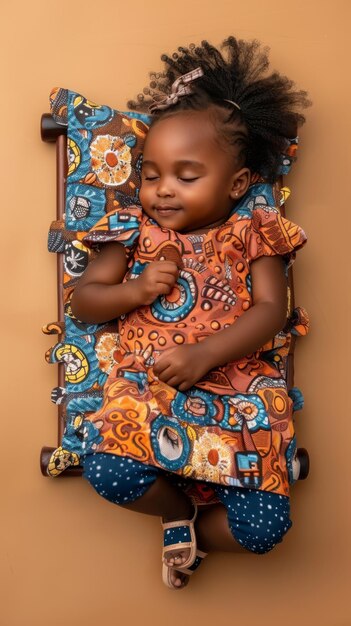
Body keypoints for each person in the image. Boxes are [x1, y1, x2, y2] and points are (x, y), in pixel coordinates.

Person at [71, 36, 310, 589]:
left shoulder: (254, 229)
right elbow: (84, 302)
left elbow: (272, 310)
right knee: (107, 469)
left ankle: (199, 535)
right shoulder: (133, 231)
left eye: (186, 175)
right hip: (153, 386)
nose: (162, 191)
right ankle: (176, 512)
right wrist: (132, 291)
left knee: (266, 530)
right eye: (150, 174)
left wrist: (206, 353)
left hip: (236, 387)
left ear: (238, 183)